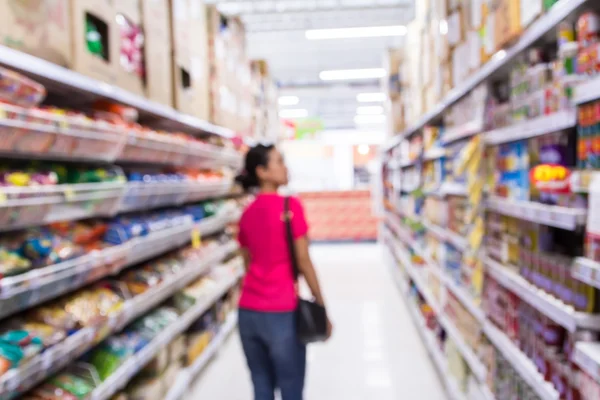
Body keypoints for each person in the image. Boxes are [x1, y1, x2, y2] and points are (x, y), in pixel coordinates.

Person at [235, 144, 332, 400]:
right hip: (281, 312)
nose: (284, 167)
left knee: (261, 386)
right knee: (291, 389)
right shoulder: (291, 207)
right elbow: (303, 261)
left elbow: (247, 261)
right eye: (278, 161)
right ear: (262, 171)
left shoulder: (246, 214)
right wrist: (321, 305)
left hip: (248, 313)